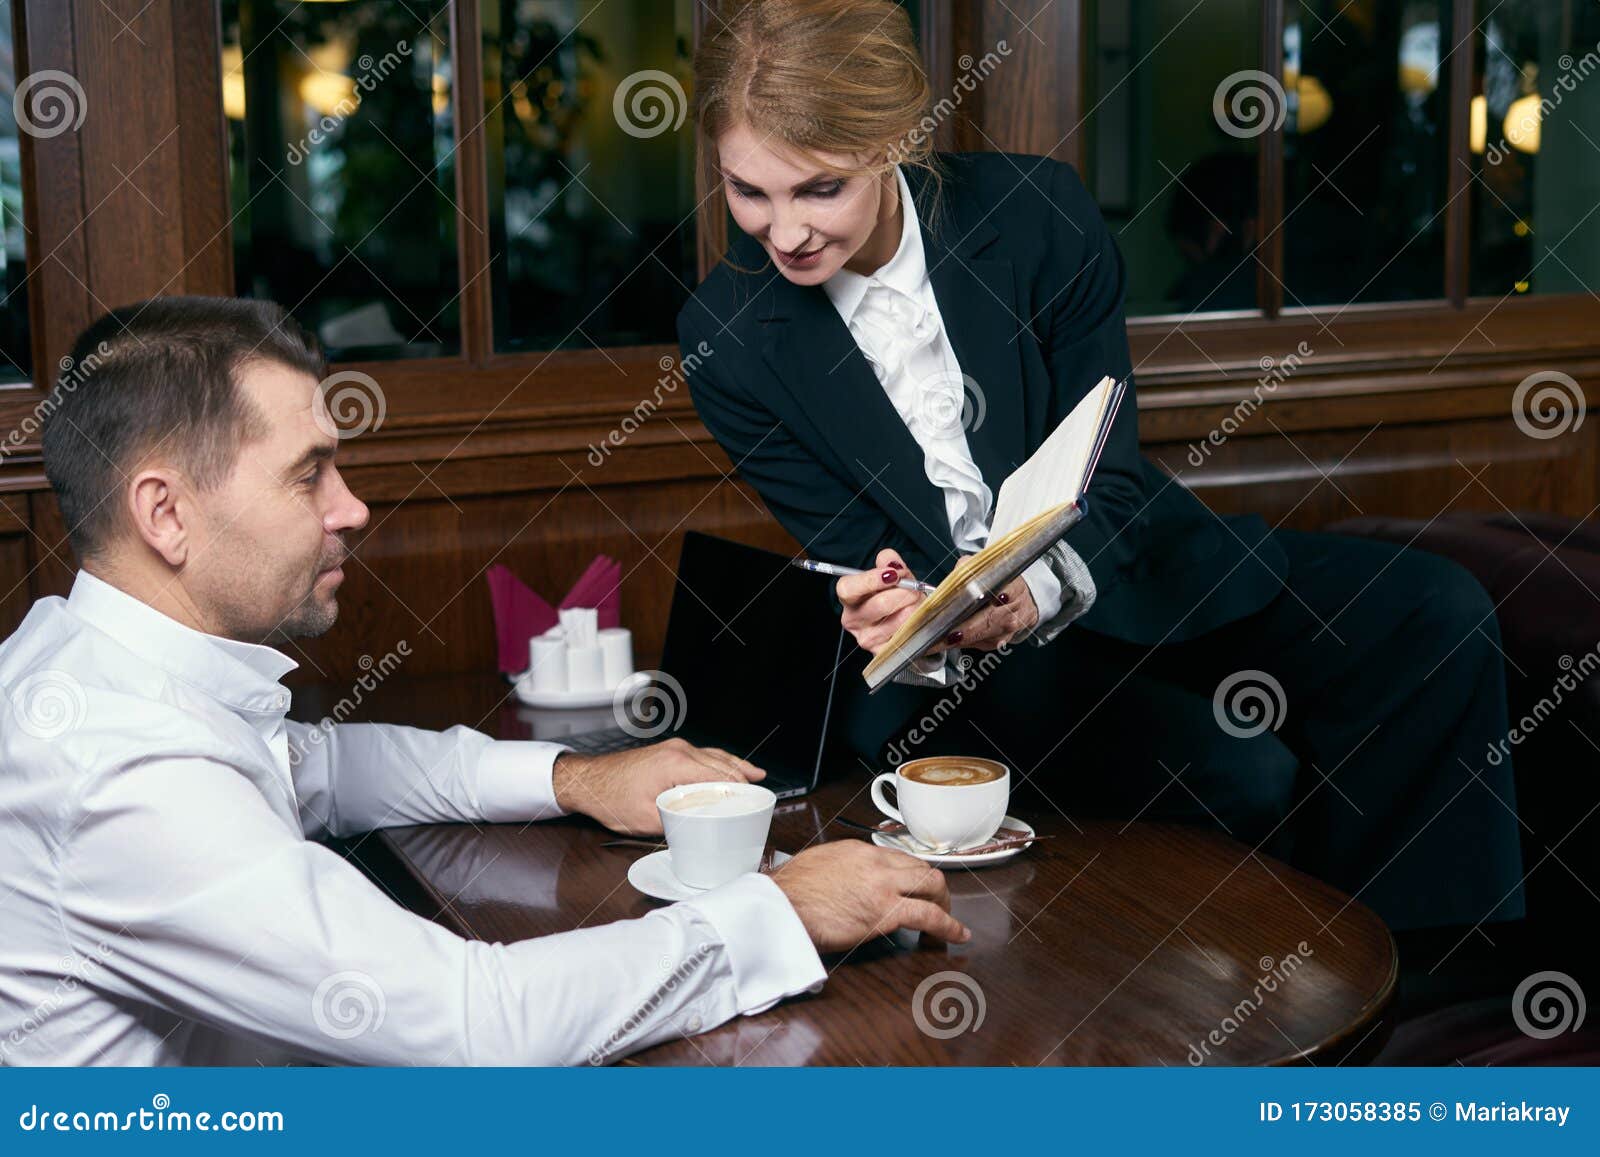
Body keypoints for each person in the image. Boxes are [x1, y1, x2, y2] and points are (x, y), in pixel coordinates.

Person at [677, 0, 1525, 943]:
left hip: (1120, 560)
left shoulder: (1036, 214)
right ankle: (1309, 980)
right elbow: (857, 556)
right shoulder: (727, 339)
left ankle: (1429, 979)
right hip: (971, 669)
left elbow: (1111, 480)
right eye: (749, 192)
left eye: (819, 190)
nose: (783, 233)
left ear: (896, 141)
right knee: (1234, 766)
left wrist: (1035, 591)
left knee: (1434, 611)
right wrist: (897, 607)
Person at [0, 295, 967, 1067]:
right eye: (310, 475)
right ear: (164, 514)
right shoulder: (121, 773)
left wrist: (578, 780)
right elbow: (476, 1023)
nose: (353, 506)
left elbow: (325, 765)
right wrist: (783, 909)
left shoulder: (97, 663)